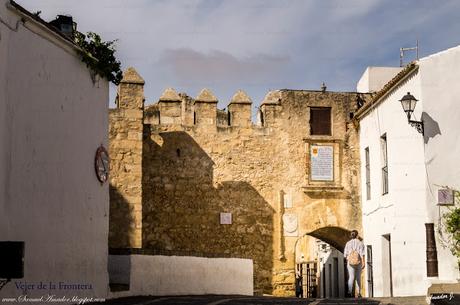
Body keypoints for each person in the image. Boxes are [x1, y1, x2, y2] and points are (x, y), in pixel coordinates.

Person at [344, 230, 365, 298]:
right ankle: (358, 293)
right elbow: (362, 254)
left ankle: (349, 292)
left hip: (350, 263)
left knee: (351, 277)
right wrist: (363, 262)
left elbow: (345, 254)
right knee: (358, 278)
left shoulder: (348, 243)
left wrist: (349, 259)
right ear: (357, 235)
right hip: (358, 262)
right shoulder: (360, 243)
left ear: (351, 235)